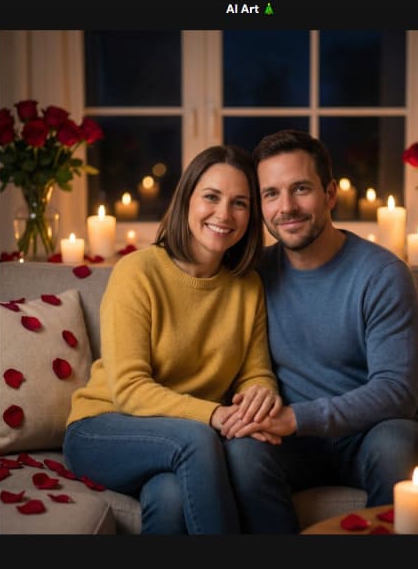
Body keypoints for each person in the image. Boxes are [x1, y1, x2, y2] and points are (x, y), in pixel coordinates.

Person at [221, 129, 418, 534]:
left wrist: (296, 418)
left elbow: (397, 392)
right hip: (291, 443)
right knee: (242, 453)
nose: (286, 207)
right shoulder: (253, 275)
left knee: (397, 443)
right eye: (271, 194)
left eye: (300, 189)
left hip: (371, 433)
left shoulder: (382, 274)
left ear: (330, 194)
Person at [62, 145, 282, 534]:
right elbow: (129, 389)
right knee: (195, 440)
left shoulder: (247, 286)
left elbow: (255, 371)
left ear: (252, 216)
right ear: (186, 200)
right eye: (211, 197)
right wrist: (214, 415)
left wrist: (258, 397)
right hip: (104, 427)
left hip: (179, 442)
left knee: (170, 497)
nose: (224, 214)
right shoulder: (138, 272)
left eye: (240, 203)